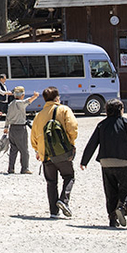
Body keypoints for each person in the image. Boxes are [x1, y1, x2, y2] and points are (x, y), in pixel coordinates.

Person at [79, 99, 127, 228]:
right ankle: (122, 207)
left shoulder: (102, 124)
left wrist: (84, 161)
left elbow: (92, 143)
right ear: (120, 110)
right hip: (123, 162)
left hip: (105, 162)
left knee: (110, 191)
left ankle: (112, 219)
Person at [30, 86, 79, 218]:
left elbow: (33, 137)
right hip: (62, 152)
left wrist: (38, 150)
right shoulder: (64, 110)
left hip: (45, 154)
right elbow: (73, 128)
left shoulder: (39, 115)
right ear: (57, 97)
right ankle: (63, 200)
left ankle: (53, 212)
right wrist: (71, 142)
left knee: (51, 182)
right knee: (69, 176)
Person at [4, 86, 38, 174]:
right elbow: (28, 101)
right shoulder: (20, 103)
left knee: (13, 149)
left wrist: (6, 127)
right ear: (22, 95)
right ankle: (25, 168)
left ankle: (11, 168)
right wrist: (35, 96)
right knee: (24, 150)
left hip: (12, 128)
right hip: (20, 128)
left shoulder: (10, 104)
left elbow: (7, 117)